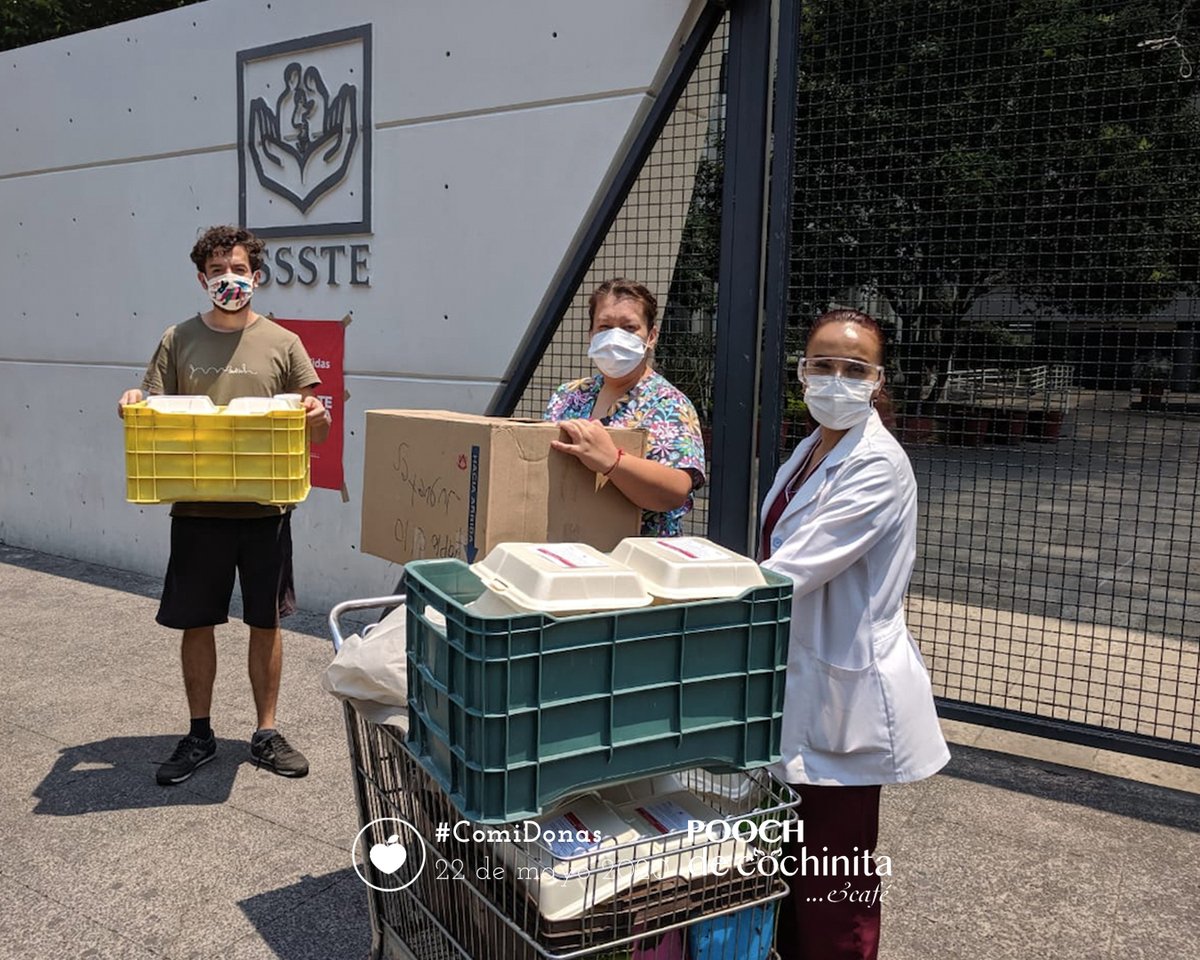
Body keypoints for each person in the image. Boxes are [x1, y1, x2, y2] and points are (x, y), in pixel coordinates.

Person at [759, 309, 949, 960]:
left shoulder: (877, 465)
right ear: (801, 370)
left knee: (834, 882)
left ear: (878, 380)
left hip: (845, 691)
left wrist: (689, 599)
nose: (835, 379)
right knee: (790, 861)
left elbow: (791, 568)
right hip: (796, 677)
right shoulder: (811, 447)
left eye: (853, 368)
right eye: (822, 365)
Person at [116, 225, 332, 786]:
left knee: (266, 622)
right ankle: (199, 734)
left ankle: (265, 732)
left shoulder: (284, 343)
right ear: (201, 279)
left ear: (256, 276)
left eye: (238, 270)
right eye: (217, 272)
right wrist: (134, 403)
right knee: (197, 622)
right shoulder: (178, 339)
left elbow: (319, 427)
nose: (229, 281)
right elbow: (152, 410)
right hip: (196, 508)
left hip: (266, 509)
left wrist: (318, 417)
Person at [544, 278, 706, 536]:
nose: (615, 337)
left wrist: (613, 462)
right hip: (567, 546)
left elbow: (676, 490)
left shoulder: (669, 404)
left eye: (629, 328)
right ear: (591, 335)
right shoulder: (568, 396)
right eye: (605, 327)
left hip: (638, 560)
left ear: (651, 336)